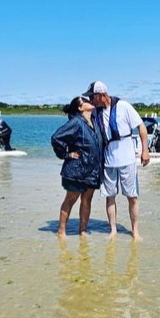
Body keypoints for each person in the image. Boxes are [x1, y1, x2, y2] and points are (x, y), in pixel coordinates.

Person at [82, 80, 150, 240]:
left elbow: (141, 127)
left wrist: (145, 151)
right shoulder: (95, 112)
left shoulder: (124, 106)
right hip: (108, 161)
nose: (91, 100)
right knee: (109, 196)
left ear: (100, 95)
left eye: (92, 96)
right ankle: (113, 230)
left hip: (127, 160)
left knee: (132, 196)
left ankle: (135, 231)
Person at [51, 95, 104, 238]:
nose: (89, 102)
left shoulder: (93, 121)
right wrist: (67, 155)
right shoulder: (76, 122)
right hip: (77, 170)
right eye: (86, 101)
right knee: (71, 199)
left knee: (87, 200)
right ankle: (61, 231)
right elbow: (56, 137)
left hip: (92, 170)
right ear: (80, 107)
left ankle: (83, 231)